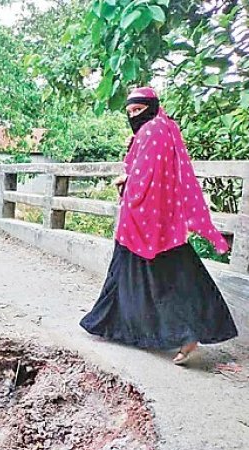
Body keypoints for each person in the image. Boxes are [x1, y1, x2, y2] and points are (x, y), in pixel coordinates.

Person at [80, 86, 237, 364]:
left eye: (138, 110)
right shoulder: (163, 129)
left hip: (146, 220)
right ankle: (109, 325)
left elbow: (144, 176)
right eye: (129, 112)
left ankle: (186, 334)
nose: (133, 116)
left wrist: (125, 182)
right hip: (159, 218)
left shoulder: (153, 130)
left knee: (161, 278)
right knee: (153, 273)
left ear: (151, 107)